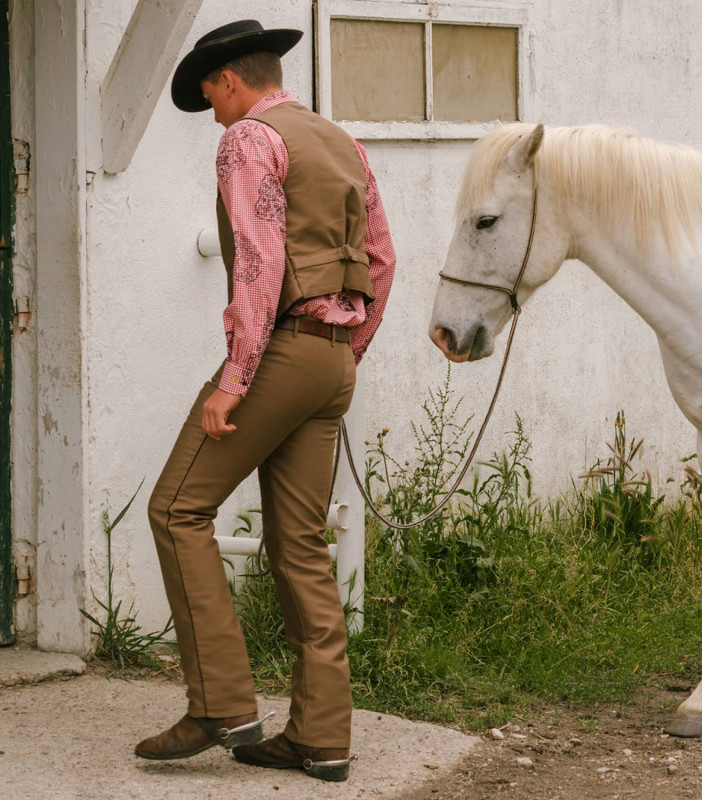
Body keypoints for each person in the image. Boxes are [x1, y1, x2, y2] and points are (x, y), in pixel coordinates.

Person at [133, 20, 395, 783]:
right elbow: (382, 260)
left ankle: (221, 704)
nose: (212, 112)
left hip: (280, 350)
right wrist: (344, 351)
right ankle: (322, 737)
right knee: (301, 545)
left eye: (209, 95)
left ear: (229, 80)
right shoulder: (341, 143)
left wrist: (236, 379)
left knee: (176, 508)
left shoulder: (248, 138)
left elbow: (258, 260)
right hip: (331, 360)